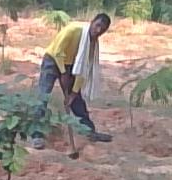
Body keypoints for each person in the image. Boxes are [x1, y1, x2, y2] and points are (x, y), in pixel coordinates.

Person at [31, 13, 113, 150]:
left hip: (70, 65)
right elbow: (58, 52)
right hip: (52, 60)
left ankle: (89, 131)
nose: (98, 31)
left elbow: (83, 69)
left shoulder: (91, 44)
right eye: (97, 25)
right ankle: (36, 135)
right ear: (92, 22)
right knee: (43, 96)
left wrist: (73, 93)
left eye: (102, 30)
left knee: (77, 101)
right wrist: (63, 73)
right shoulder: (73, 29)